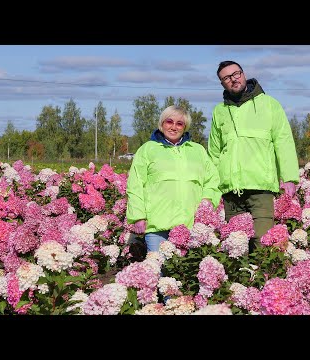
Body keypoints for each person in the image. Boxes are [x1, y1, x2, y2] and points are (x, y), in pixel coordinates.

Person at [208, 60, 300, 253]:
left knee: (263, 244)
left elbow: (283, 141)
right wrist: (213, 190)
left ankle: (265, 282)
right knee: (236, 249)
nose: (233, 79)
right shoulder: (220, 111)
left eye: (236, 74)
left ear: (243, 74)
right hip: (231, 191)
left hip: (261, 188)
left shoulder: (269, 104)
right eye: (226, 78)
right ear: (222, 83)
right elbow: (214, 153)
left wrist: (289, 177)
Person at [126, 105, 222, 254]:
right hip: (157, 226)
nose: (173, 127)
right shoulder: (147, 150)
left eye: (179, 123)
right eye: (169, 122)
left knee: (186, 273)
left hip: (191, 226)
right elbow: (135, 184)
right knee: (158, 269)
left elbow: (212, 180)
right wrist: (138, 216)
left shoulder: (198, 151)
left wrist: (207, 201)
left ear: (185, 127)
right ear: (162, 123)